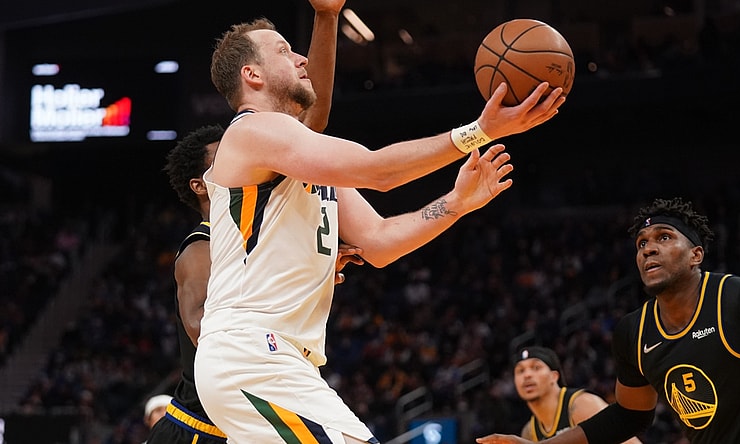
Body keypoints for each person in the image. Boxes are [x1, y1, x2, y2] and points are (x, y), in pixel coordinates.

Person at [193, 8, 565, 444]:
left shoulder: (302, 162)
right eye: (284, 51)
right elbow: (379, 172)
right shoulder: (251, 131)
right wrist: (478, 130)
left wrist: (457, 203)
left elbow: (380, 242)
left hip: (279, 359)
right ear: (251, 74)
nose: (301, 59)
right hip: (253, 355)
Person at [149, 1, 358, 443]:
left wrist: (299, 268)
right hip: (202, 425)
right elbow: (202, 326)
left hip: (241, 410)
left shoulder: (250, 226)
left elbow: (308, 124)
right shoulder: (200, 248)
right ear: (202, 184)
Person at [477, 197, 740, 444]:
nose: (648, 249)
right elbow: (630, 415)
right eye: (641, 243)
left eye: (663, 237)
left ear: (696, 254)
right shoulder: (633, 332)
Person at [512, 346, 641, 443]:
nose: (527, 375)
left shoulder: (581, 405)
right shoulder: (530, 432)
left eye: (536, 367)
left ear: (554, 376)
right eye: (520, 371)